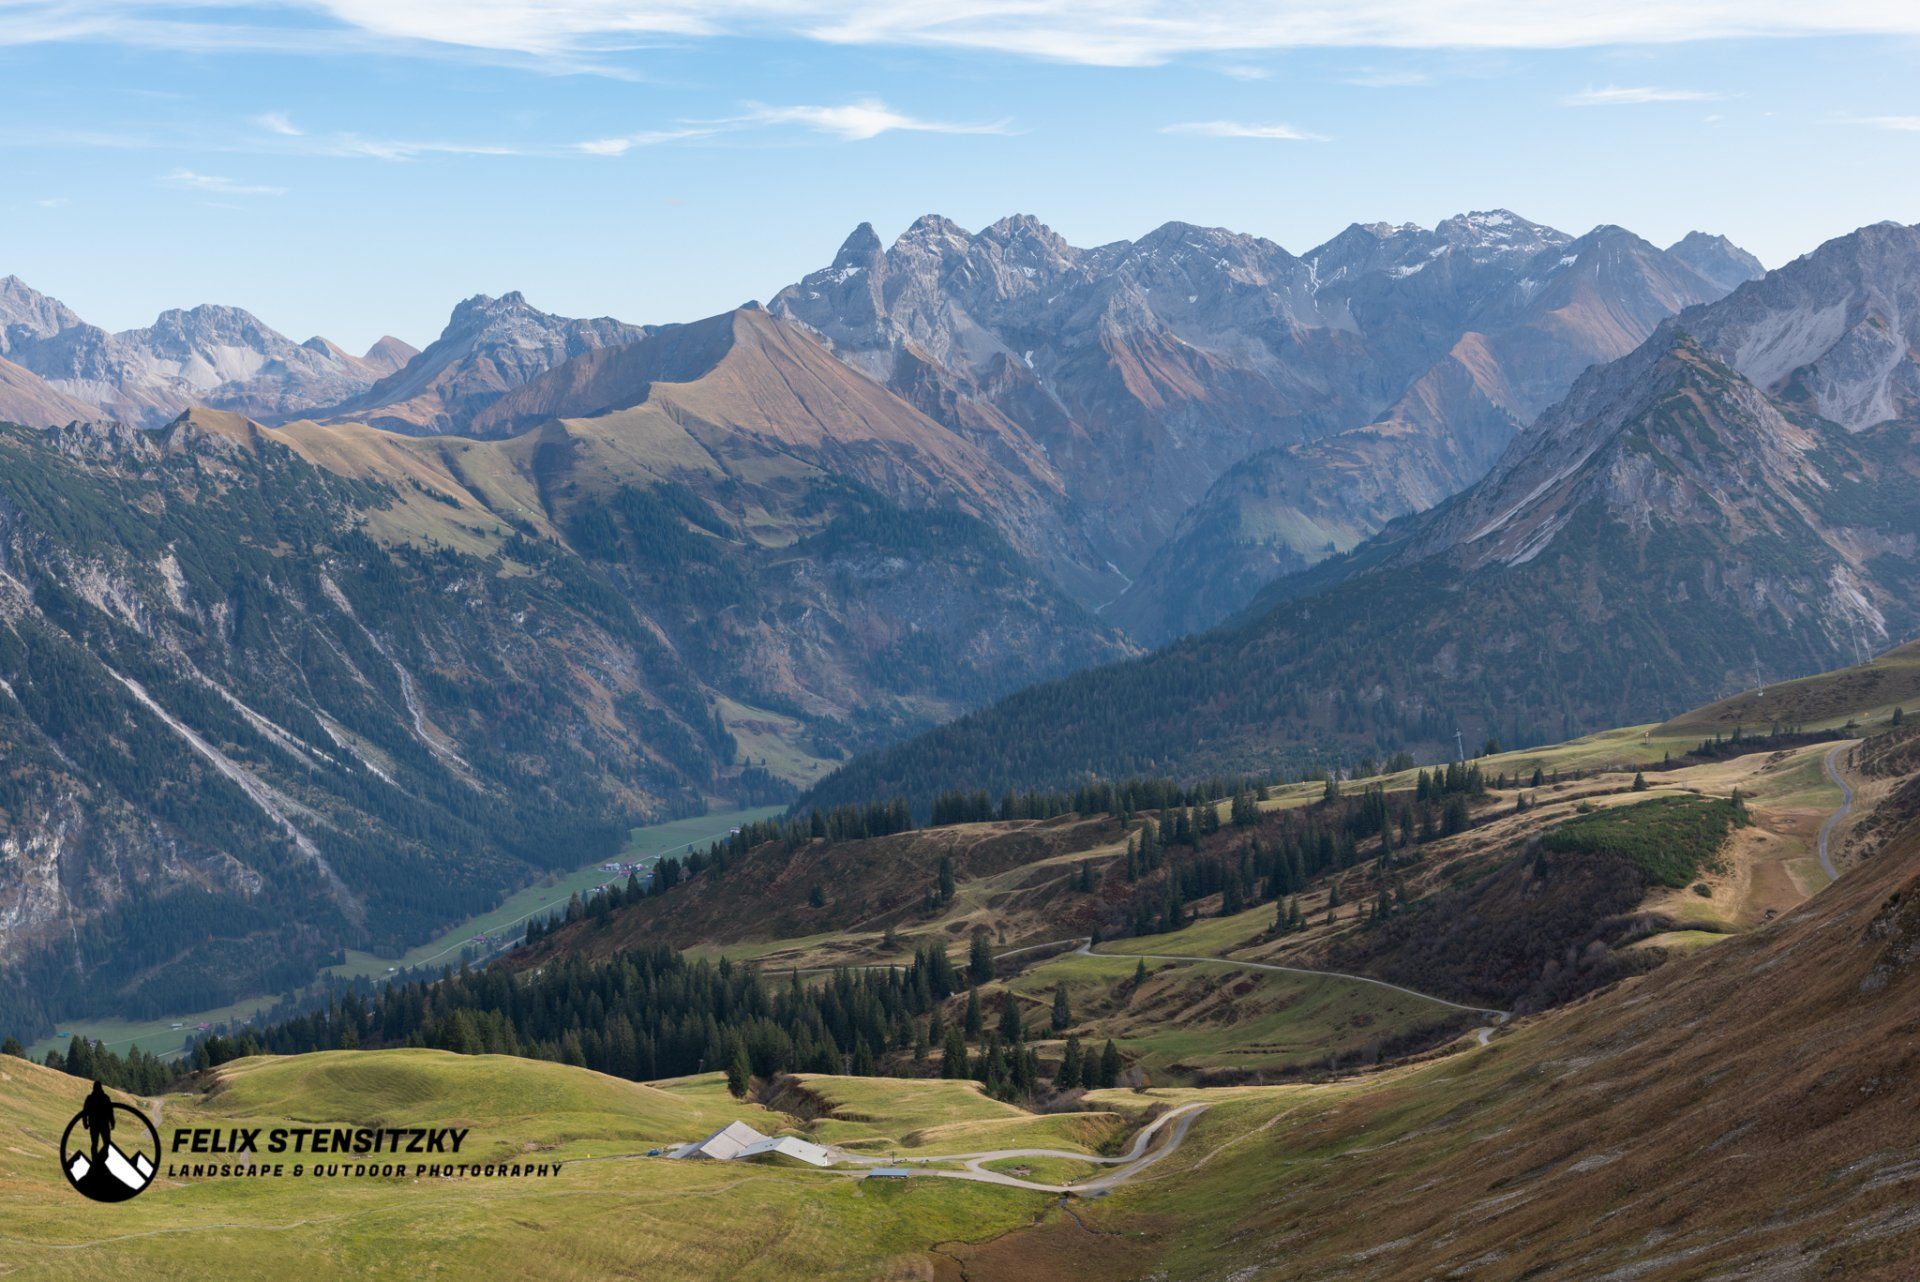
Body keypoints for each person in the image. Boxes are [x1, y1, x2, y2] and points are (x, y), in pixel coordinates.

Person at [80, 1080, 115, 1164]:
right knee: (105, 1143)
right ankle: (99, 1160)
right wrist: (112, 1122)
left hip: (94, 1124)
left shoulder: (90, 1098)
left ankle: (96, 1160)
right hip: (103, 1124)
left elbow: (85, 1112)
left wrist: (85, 1123)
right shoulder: (105, 1097)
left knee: (96, 1144)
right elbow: (110, 1112)